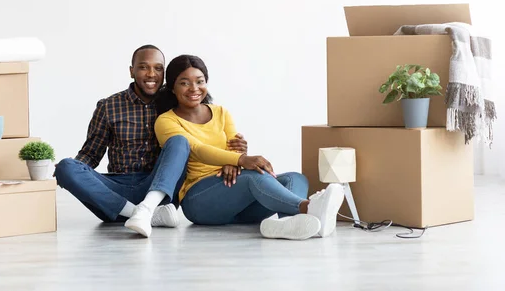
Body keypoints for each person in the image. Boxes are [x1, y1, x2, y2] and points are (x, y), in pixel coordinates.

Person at [54, 45, 248, 238]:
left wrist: (233, 155)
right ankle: (139, 214)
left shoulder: (178, 103)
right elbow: (90, 154)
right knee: (65, 167)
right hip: (115, 191)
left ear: (165, 74)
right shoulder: (109, 106)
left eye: (158, 68)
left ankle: (148, 208)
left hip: (159, 188)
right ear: (132, 71)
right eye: (143, 67)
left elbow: (204, 139)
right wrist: (73, 175)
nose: (151, 74)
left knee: (179, 141)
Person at [153, 54, 345, 240]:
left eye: (200, 81)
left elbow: (234, 147)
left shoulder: (221, 112)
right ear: (172, 87)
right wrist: (240, 160)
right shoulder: (166, 121)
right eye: (184, 83)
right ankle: (309, 208)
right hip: (200, 201)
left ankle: (287, 224)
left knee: (294, 178)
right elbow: (197, 149)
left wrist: (235, 161)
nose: (194, 88)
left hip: (238, 201)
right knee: (254, 178)